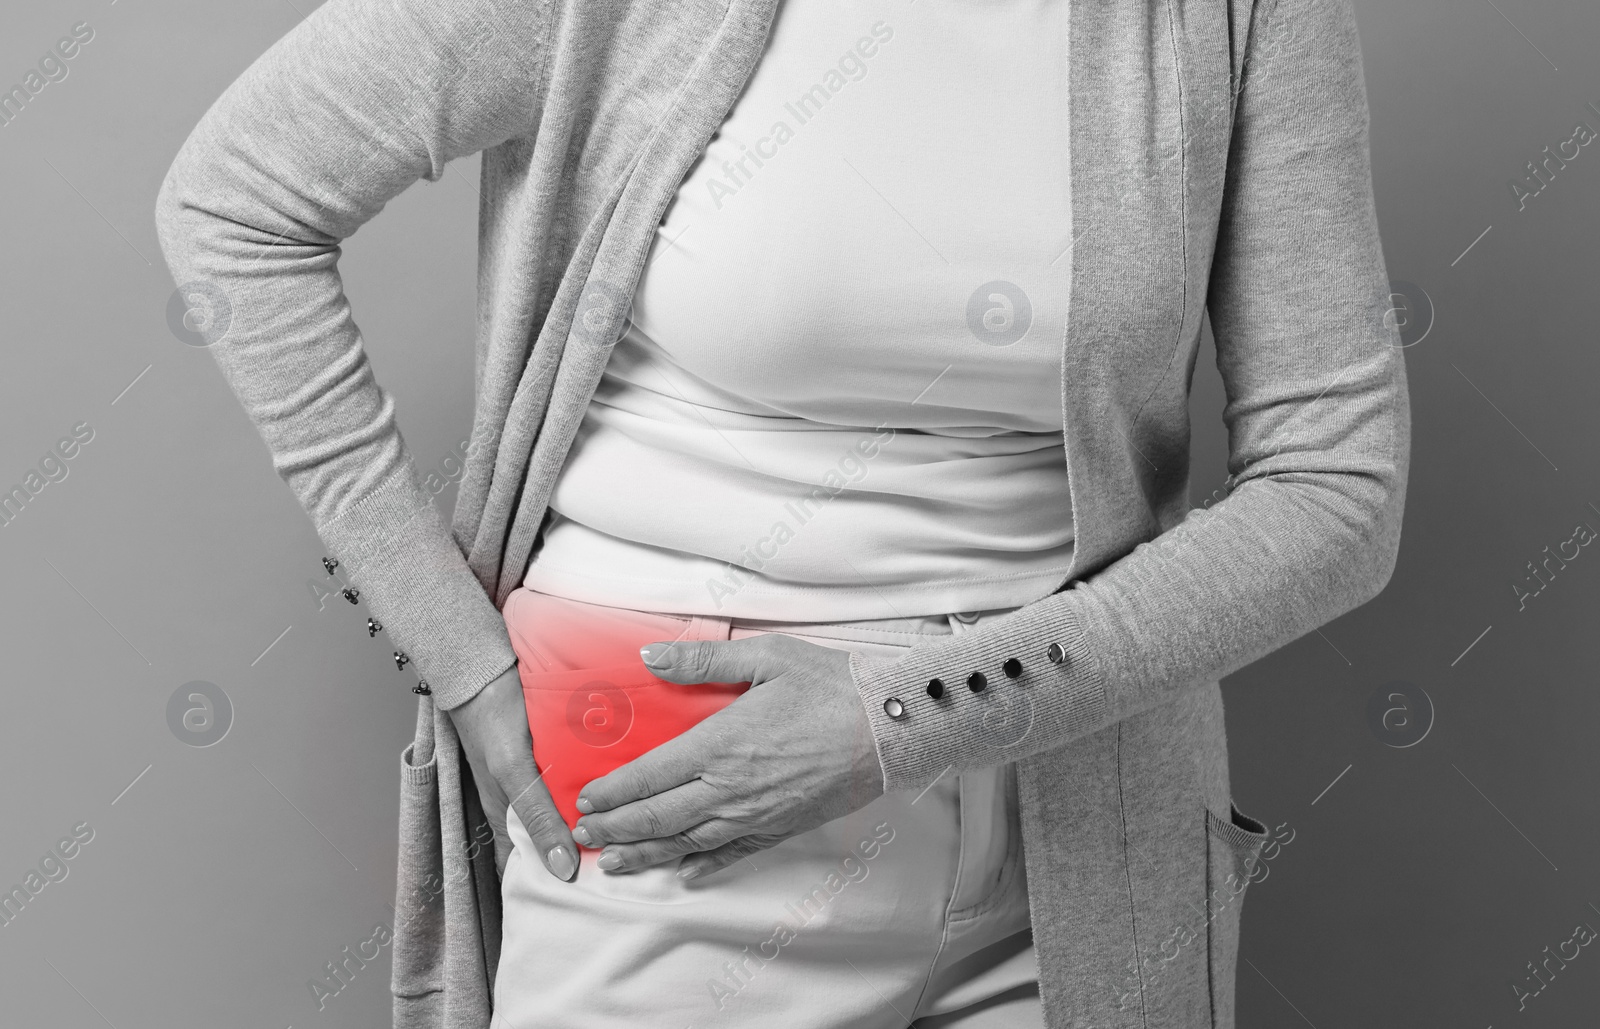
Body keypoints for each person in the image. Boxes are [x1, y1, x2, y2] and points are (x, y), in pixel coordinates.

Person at [152, 0, 1410, 1026]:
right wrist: (458, 657)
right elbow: (233, 204)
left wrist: (899, 717)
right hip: (676, 830)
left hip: (1083, 834)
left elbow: (1335, 484)